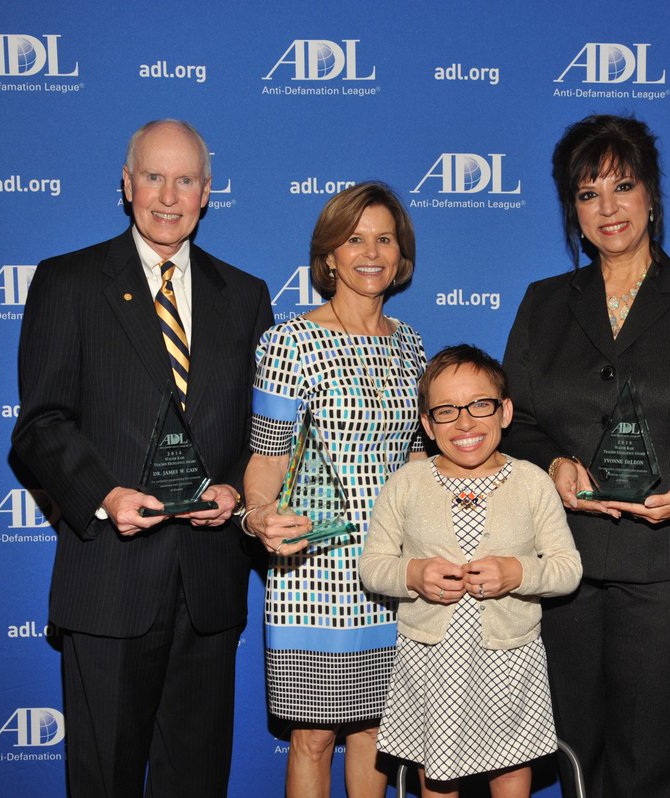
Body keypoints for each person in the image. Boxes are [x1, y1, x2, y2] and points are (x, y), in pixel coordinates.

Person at [501, 114, 670, 798]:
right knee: (579, 762)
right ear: (574, 211)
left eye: (623, 185)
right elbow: (520, 423)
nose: (608, 207)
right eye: (589, 193)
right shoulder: (543, 305)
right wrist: (551, 463)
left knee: (655, 766)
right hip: (567, 572)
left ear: (652, 195)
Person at [11, 119, 272, 797]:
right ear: (126, 186)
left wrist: (235, 491)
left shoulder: (244, 296)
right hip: (109, 582)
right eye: (153, 177)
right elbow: (41, 425)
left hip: (208, 587)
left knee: (196, 782)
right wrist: (105, 495)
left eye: (185, 179)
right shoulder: (68, 282)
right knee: (105, 781)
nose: (168, 195)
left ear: (208, 193)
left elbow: (264, 431)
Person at [241, 182, 426, 798]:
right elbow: (265, 463)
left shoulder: (411, 345)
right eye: (354, 239)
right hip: (313, 567)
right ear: (328, 257)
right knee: (314, 736)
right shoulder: (289, 341)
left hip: (394, 567)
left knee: (379, 729)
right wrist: (258, 518)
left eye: (384, 238)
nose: (370, 252)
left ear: (401, 256)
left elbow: (421, 462)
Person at [361, 345, 582, 798]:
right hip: (430, 657)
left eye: (480, 405)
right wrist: (414, 573)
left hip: (509, 653)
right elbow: (374, 566)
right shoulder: (407, 482)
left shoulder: (532, 482)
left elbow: (567, 568)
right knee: (438, 774)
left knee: (509, 767)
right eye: (446, 411)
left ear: (505, 412)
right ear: (427, 424)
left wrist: (518, 572)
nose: (465, 423)